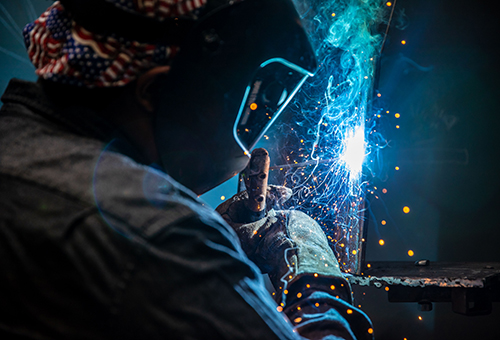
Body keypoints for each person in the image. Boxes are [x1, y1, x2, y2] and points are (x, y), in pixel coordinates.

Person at [0, 0, 373, 339]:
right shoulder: (165, 237)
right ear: (155, 91)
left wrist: (217, 240)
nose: (248, 144)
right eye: (241, 104)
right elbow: (143, 244)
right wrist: (311, 266)